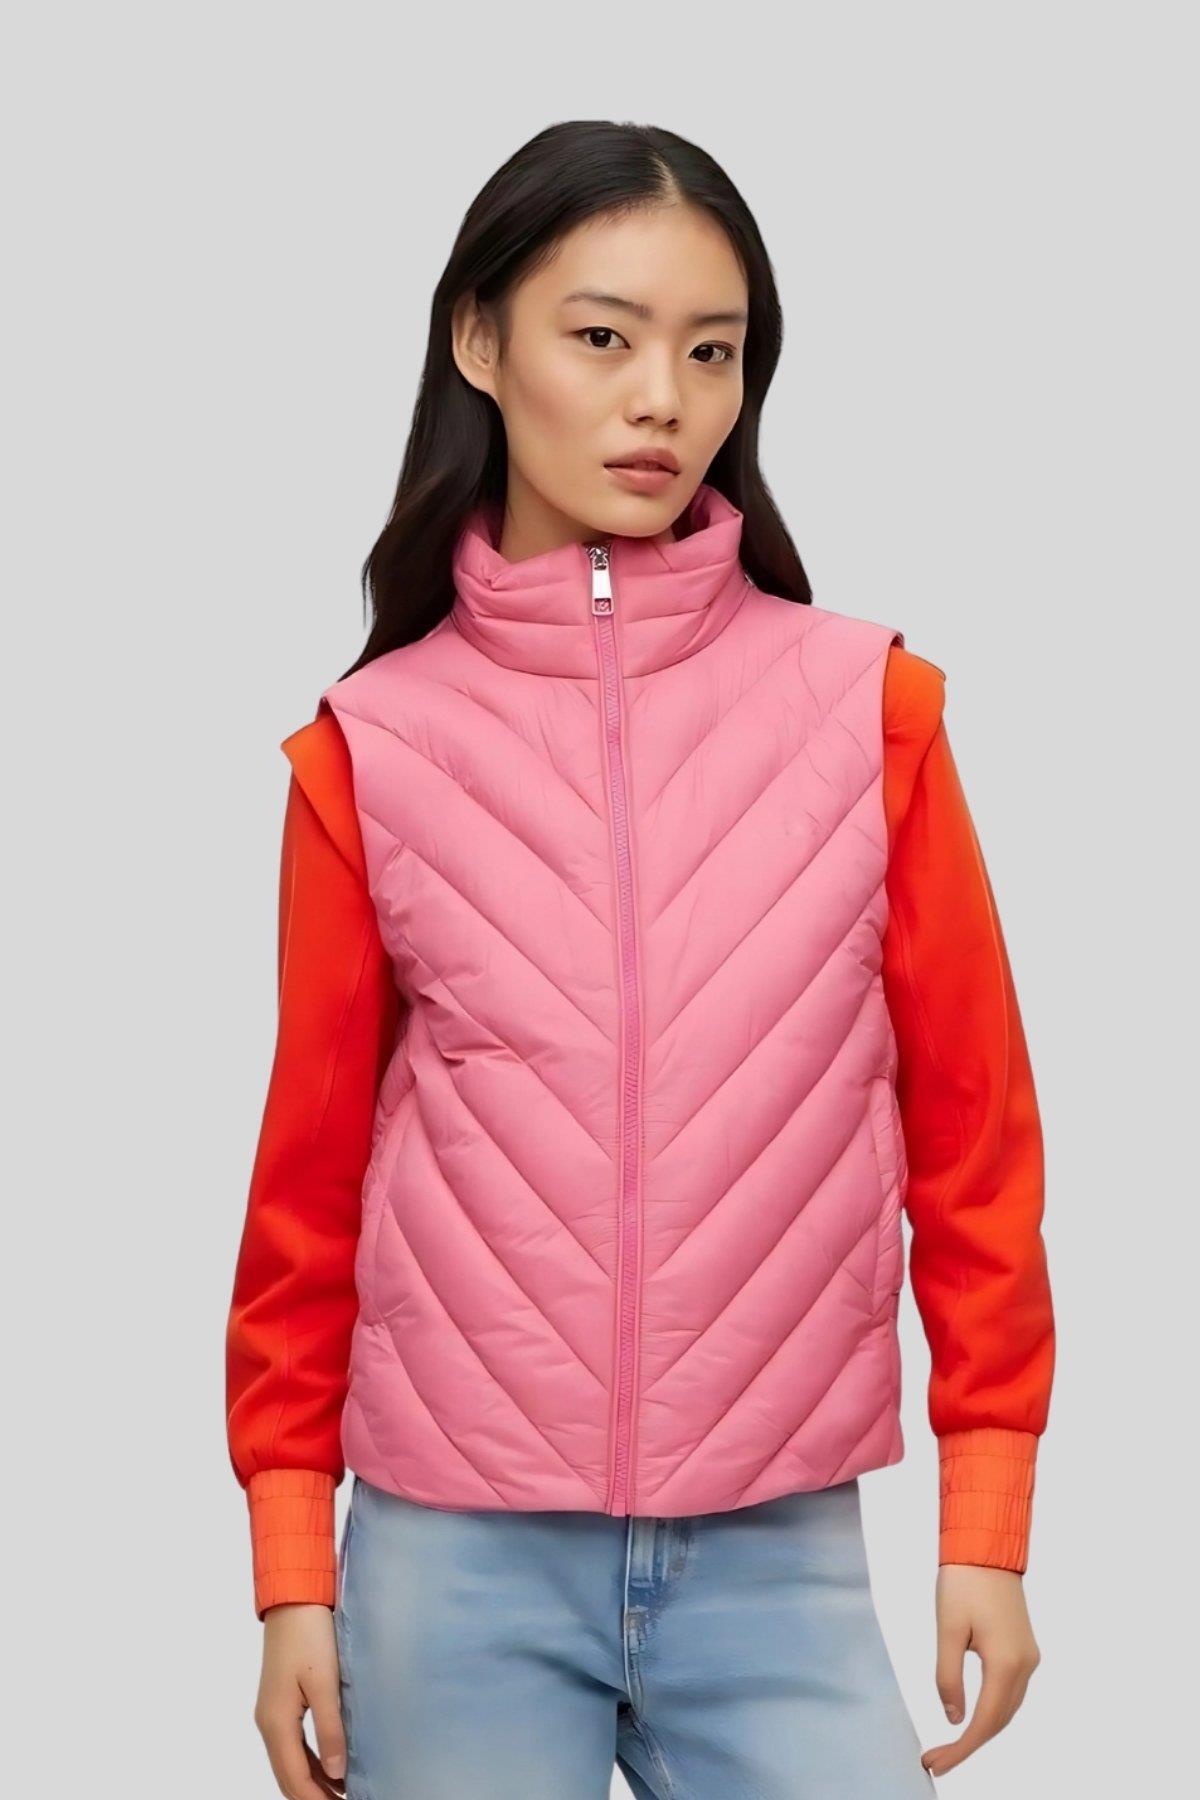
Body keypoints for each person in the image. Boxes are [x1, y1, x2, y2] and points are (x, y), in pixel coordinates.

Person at [225, 120, 1055, 1800]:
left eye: (712, 351)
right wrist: (293, 1560)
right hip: (450, 1567)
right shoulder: (370, 750)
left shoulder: (869, 710)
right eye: (602, 336)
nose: (661, 398)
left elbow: (974, 1137)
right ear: (479, 341)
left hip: (780, 1560)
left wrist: (988, 1516)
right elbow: (308, 1194)